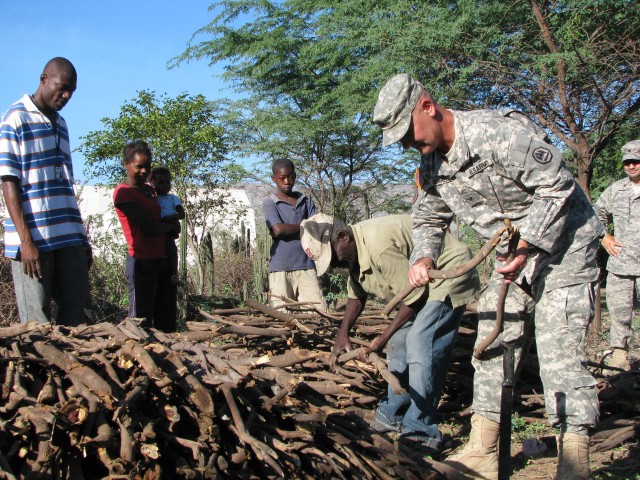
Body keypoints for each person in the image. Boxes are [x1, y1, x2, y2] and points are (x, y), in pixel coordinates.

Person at [374, 73, 603, 479]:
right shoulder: (430, 165)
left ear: (427, 107)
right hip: (509, 257)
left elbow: (558, 185)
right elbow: (428, 217)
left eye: (407, 132)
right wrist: (423, 257)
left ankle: (573, 458)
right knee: (492, 342)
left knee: (559, 349)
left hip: (565, 246)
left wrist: (528, 242)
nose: (408, 144)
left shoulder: (496, 132)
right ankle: (484, 447)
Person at [301, 213, 479, 452]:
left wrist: (382, 338)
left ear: (343, 237)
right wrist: (342, 335)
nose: (333, 265)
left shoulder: (378, 247)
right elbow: (356, 295)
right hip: (418, 284)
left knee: (420, 342)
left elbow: (415, 296)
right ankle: (391, 414)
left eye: (332, 257)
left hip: (447, 271)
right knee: (399, 343)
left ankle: (420, 429)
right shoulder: (354, 252)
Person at [0, 57, 93, 326]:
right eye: (61, 87)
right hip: (33, 240)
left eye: (71, 92)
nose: (65, 96)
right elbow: (9, 182)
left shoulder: (62, 124)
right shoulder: (14, 118)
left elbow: (66, 184)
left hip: (68, 237)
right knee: (36, 324)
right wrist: (25, 242)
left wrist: (81, 236)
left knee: (80, 318)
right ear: (44, 80)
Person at [113, 141, 179, 332]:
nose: (144, 171)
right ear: (127, 164)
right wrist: (168, 227)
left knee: (166, 320)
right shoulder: (123, 193)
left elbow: (163, 216)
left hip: (163, 258)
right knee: (141, 321)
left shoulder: (150, 191)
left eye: (147, 166)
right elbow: (148, 227)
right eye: (139, 166)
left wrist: (170, 226)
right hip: (142, 261)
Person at [594, 140, 640, 373]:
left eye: (636, 161)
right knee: (619, 312)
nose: (632, 166)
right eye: (627, 162)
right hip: (621, 263)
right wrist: (604, 236)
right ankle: (620, 355)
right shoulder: (616, 189)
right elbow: (597, 211)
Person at [262, 159, 326, 311]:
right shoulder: (270, 202)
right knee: (282, 313)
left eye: (290, 177)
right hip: (281, 266)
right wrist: (304, 226)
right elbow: (277, 230)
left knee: (316, 312)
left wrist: (290, 231)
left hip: (306, 264)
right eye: (282, 178)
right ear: (274, 179)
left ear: (295, 176)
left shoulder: (306, 201)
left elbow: (315, 230)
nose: (287, 181)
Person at [149, 166, 185, 287]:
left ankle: (174, 275)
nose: (165, 185)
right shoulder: (152, 198)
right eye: (160, 182)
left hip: (170, 226)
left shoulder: (173, 198)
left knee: (171, 249)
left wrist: (169, 218)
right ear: (153, 183)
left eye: (168, 182)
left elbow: (182, 214)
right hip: (159, 227)